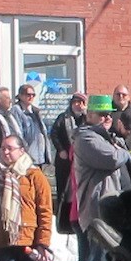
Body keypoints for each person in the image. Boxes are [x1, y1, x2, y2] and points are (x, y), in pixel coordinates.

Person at [74, 95, 131, 261]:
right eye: (102, 114)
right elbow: (112, 158)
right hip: (97, 210)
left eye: (109, 114)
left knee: (110, 260)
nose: (107, 118)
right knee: (98, 260)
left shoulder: (106, 137)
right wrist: (125, 153)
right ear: (89, 115)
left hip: (112, 208)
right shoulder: (86, 138)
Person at [50, 92, 87, 235]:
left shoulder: (86, 118)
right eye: (76, 102)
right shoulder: (63, 117)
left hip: (80, 161)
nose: (78, 105)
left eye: (81, 102)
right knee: (64, 191)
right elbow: (54, 134)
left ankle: (77, 218)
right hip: (65, 161)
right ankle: (63, 221)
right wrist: (61, 150)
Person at [11, 83, 51, 167]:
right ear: (21, 96)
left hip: (39, 155)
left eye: (33, 95)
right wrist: (23, 151)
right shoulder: (16, 110)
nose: (31, 97)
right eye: (28, 94)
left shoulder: (35, 111)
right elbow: (18, 133)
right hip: (27, 156)